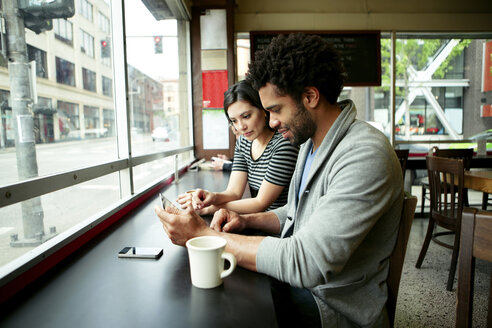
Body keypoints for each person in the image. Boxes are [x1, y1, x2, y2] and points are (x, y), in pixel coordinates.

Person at [156, 33, 403, 327]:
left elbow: (308, 263)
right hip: (306, 287)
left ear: (310, 96)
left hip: (332, 306)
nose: (271, 121)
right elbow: (296, 211)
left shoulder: (364, 154)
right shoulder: (311, 144)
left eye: (275, 109)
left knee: (226, 314)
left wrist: (204, 236)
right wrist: (247, 220)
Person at [177, 80, 299, 215]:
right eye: (234, 121)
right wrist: (210, 197)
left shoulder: (284, 144)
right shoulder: (244, 142)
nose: (240, 127)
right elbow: (234, 192)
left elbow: (260, 203)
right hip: (255, 221)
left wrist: (208, 209)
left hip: (280, 226)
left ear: (263, 110)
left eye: (246, 116)